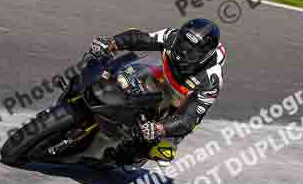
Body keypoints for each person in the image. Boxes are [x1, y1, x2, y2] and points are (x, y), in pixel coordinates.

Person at [89, 18, 226, 166]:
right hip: (164, 76)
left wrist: (160, 128)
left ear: (204, 56)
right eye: (183, 43)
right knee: (122, 76)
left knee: (162, 150)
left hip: (182, 104)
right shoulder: (171, 37)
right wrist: (112, 43)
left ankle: (120, 158)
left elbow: (187, 119)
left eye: (192, 51)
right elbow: (140, 39)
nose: (183, 52)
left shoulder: (210, 80)